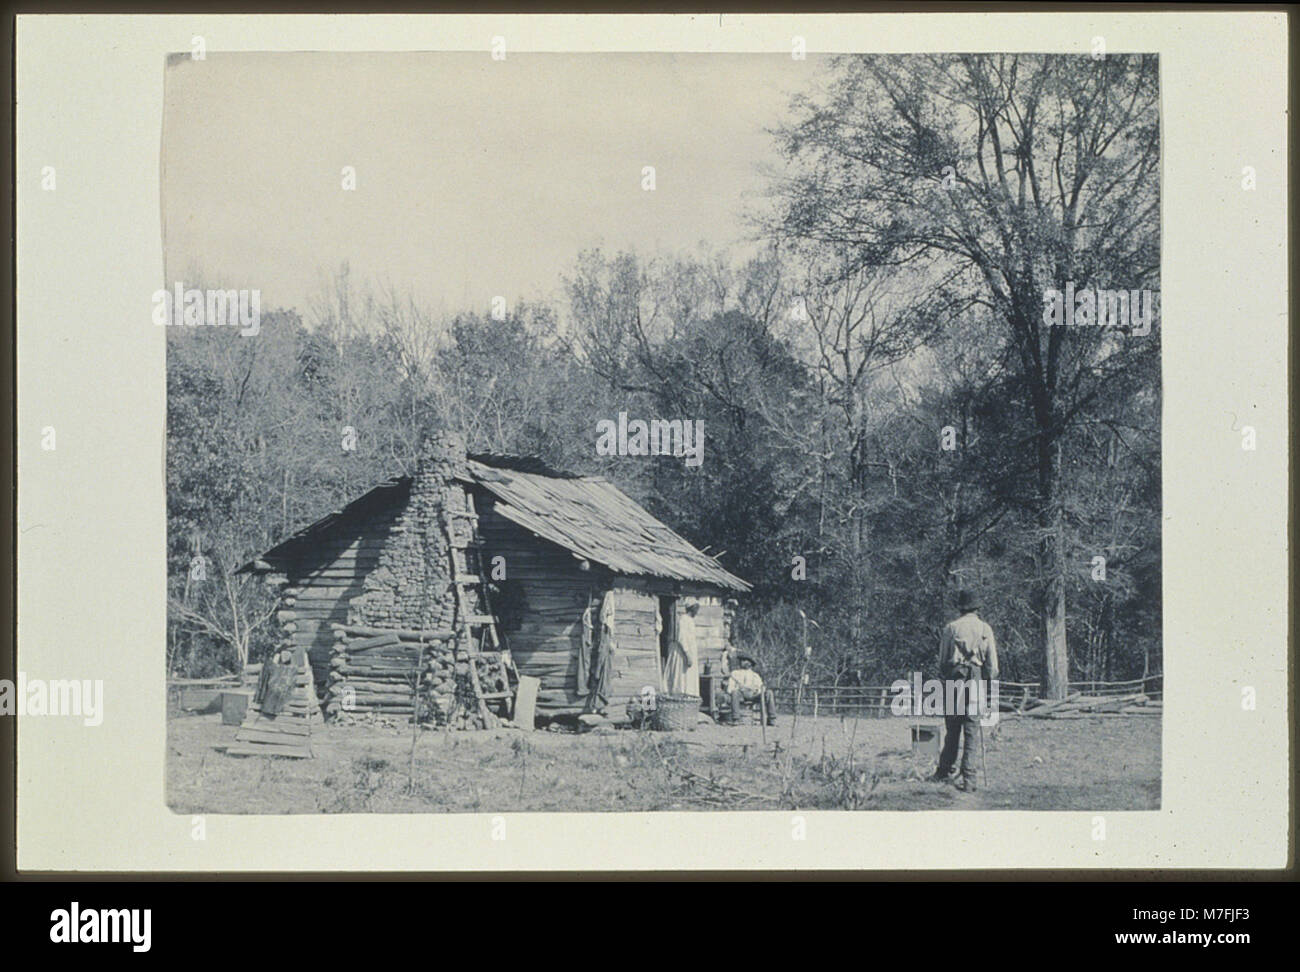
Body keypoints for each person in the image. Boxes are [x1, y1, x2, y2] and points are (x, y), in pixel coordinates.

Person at [931, 590, 998, 792]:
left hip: (954, 678)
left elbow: (942, 660)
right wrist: (985, 679)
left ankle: (944, 771)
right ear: (977, 608)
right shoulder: (985, 629)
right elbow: (992, 666)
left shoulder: (951, 628)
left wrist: (949, 675)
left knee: (952, 730)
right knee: (972, 731)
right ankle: (969, 780)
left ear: (960, 608)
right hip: (975, 680)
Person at [722, 653, 776, 726]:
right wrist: (738, 689)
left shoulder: (755, 675)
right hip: (741, 696)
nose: (744, 662)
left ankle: (771, 719)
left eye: (746, 661)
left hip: (754, 695)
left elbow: (760, 687)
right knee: (734, 692)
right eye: (742, 661)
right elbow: (730, 689)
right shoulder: (735, 674)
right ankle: (736, 719)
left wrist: (758, 690)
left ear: (750, 663)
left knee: (769, 692)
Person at [664, 602, 700, 697]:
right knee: (681, 676)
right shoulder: (683, 620)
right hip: (682, 652)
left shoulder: (690, 621)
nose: (697, 611)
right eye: (696, 608)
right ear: (692, 609)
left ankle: (688, 696)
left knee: (689, 676)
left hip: (689, 651)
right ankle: (680, 695)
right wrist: (687, 654)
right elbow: (682, 638)